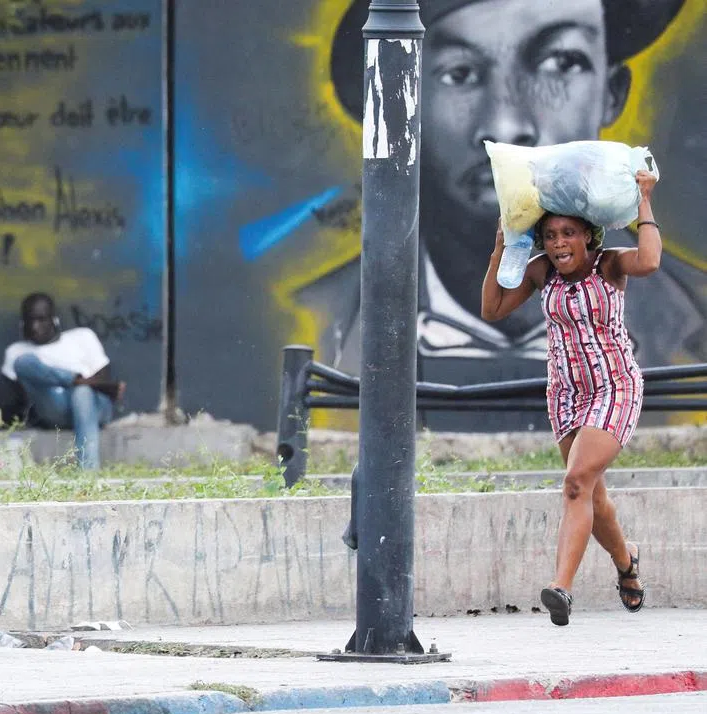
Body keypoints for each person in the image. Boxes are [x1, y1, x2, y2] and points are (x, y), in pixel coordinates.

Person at [296, 0, 706, 429]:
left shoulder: (691, 318)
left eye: (559, 62)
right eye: (459, 74)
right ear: (407, 103)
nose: (506, 125)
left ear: (611, 93)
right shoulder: (311, 322)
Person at [478, 171, 657, 626]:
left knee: (576, 482)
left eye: (569, 234)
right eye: (551, 235)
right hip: (565, 394)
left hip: (615, 386)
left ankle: (561, 588)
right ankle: (626, 560)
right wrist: (502, 247)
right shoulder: (540, 271)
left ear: (588, 237)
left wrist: (644, 201)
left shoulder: (611, 265)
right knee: (591, 495)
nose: (559, 244)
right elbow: (492, 309)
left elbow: (651, 260)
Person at [1, 293, 125, 470]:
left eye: (41, 319)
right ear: (22, 323)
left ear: (54, 319)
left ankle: (88, 472)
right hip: (54, 409)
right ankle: (76, 380)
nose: (35, 327)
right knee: (23, 362)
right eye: (30, 321)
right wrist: (74, 380)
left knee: (81, 392)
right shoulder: (16, 350)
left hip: (93, 409)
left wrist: (79, 386)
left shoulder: (82, 337)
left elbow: (102, 379)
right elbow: (16, 400)